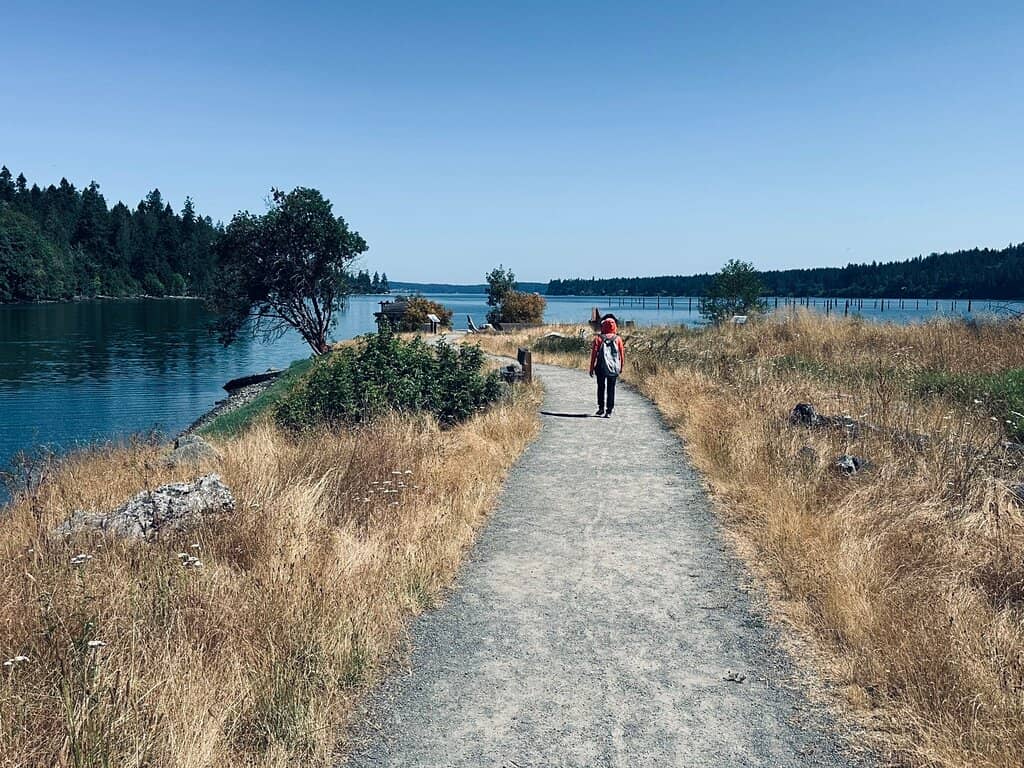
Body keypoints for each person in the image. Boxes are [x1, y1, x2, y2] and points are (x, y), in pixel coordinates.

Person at [589, 316, 625, 417]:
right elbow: (621, 355)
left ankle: (601, 408)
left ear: (603, 326)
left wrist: (592, 368)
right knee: (611, 388)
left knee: (601, 387)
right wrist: (621, 366)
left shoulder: (598, 338)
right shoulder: (618, 339)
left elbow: (594, 355)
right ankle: (609, 410)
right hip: (613, 367)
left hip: (600, 367)